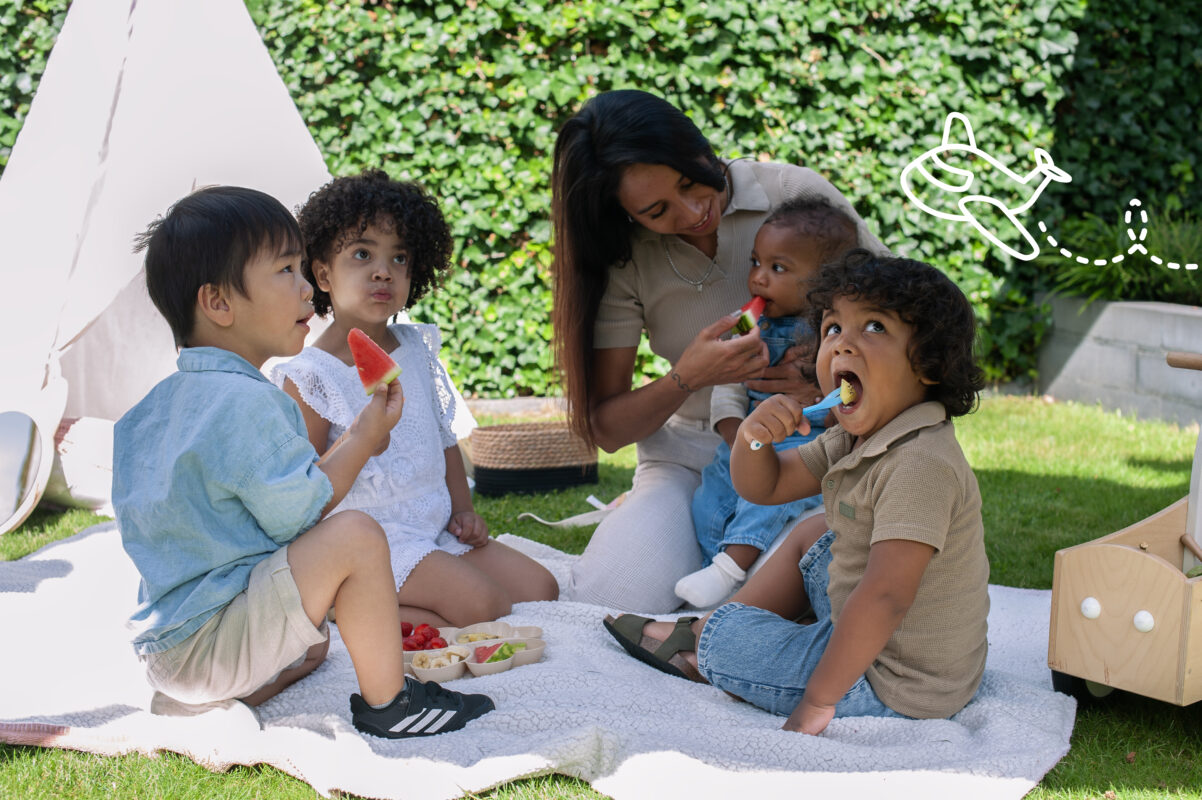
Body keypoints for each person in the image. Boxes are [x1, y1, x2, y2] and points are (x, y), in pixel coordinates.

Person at [112, 186, 494, 739]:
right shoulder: (250, 401)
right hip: (216, 645)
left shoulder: (146, 413)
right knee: (356, 534)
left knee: (314, 646)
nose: (307, 288)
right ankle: (391, 706)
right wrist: (363, 435)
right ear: (218, 303)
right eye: (287, 271)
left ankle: (210, 700)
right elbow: (301, 513)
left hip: (167, 649)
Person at [603, 250, 990, 735]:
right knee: (814, 535)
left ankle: (705, 644)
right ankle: (708, 626)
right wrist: (754, 438)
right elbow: (767, 486)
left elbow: (886, 596)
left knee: (732, 641)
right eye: (833, 328)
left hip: (893, 683)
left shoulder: (919, 463)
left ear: (929, 365)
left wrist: (819, 700)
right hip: (873, 632)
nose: (842, 345)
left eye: (874, 327)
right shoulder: (858, 437)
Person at [551, 88, 886, 612]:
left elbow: (908, 315)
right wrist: (687, 377)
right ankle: (670, 534)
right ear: (624, 215)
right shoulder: (625, 258)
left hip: (810, 449)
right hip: (689, 459)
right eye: (657, 210)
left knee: (798, 586)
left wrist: (827, 378)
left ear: (695, 145)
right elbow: (608, 430)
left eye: (690, 181)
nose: (692, 212)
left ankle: (725, 580)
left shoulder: (791, 194)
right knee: (607, 596)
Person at [272, 170, 558, 628]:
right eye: (362, 254)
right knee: (485, 607)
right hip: (374, 541)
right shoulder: (310, 376)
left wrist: (463, 512)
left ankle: (400, 603)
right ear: (323, 273)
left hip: (434, 529)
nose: (383, 270)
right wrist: (362, 440)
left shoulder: (416, 348)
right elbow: (305, 493)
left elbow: (442, 439)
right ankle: (344, 604)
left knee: (541, 588)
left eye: (400, 257)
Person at [676, 197, 859, 608]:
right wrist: (735, 434)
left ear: (825, 282)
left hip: (806, 438)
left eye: (778, 268)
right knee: (710, 499)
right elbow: (729, 383)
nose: (758, 277)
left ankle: (730, 568)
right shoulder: (748, 322)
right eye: (756, 262)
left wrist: (829, 407)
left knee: (774, 499)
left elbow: (854, 390)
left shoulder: (839, 331)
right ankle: (715, 568)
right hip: (749, 436)